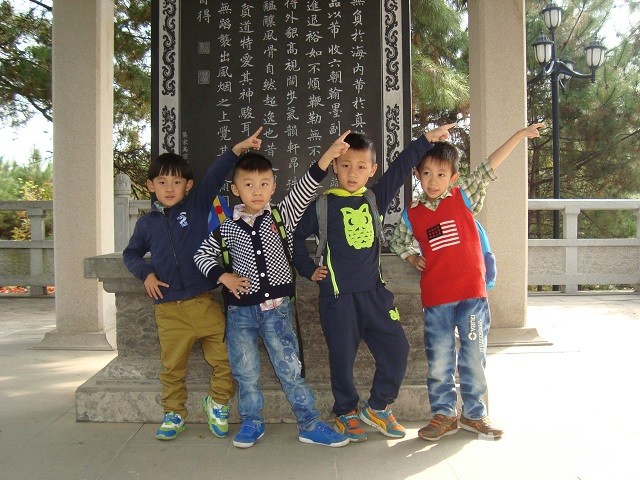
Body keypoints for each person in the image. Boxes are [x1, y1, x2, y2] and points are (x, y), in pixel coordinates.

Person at [292, 125, 455, 443]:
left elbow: (401, 168)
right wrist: (308, 269)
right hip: (338, 297)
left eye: (361, 166)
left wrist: (425, 141)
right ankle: (345, 411)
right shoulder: (323, 204)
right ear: (335, 166)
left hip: (375, 294)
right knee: (342, 358)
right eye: (346, 165)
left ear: (372, 169)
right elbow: (296, 238)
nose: (352, 173)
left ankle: (378, 407)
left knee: (397, 349)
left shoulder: (374, 197)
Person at [193, 131, 353, 449]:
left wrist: (331, 153)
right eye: (249, 184)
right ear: (235, 189)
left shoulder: (283, 216)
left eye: (264, 183)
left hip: (278, 310)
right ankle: (252, 421)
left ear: (273, 187)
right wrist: (224, 277)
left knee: (290, 368)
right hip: (240, 313)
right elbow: (201, 256)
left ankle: (309, 423)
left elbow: (307, 184)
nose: (257, 191)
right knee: (246, 371)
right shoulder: (226, 228)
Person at [389, 123, 545, 441]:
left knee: (473, 355)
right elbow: (397, 240)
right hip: (436, 300)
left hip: (472, 295)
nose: (433, 181)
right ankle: (444, 415)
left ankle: (474, 414)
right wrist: (411, 257)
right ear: (417, 174)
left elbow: (489, 166)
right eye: (427, 173)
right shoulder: (412, 213)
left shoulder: (464, 196)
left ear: (453, 177)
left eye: (441, 174)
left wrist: (519, 136)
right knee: (440, 359)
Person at [122, 127, 264, 441]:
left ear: (188, 186)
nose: (169, 188)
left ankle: (218, 403)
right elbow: (130, 253)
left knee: (226, 359)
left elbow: (214, 175)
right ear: (150, 186)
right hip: (168, 309)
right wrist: (145, 274)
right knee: (172, 367)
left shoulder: (197, 206)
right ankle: (174, 413)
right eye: (162, 182)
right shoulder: (146, 224)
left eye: (176, 182)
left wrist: (237, 150)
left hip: (203, 301)